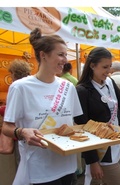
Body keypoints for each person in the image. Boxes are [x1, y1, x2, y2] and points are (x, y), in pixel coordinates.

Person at [2, 28, 83, 185]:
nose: (65, 60)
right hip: (39, 168)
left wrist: (97, 132)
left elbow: (74, 124)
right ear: (43, 55)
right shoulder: (20, 87)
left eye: (66, 55)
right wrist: (22, 132)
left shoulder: (68, 86)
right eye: (60, 54)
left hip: (67, 165)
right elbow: (6, 127)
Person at [74, 47, 120, 185]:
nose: (109, 71)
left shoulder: (110, 82)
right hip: (100, 152)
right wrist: (92, 161)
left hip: (116, 145)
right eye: (105, 67)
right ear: (92, 65)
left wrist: (119, 127)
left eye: (110, 66)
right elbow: (82, 128)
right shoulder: (82, 91)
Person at [0, 59, 32, 185]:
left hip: (21, 134)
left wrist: (2, 110)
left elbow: (11, 110)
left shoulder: (17, 86)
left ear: (14, 73)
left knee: (23, 166)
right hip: (32, 132)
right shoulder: (32, 85)